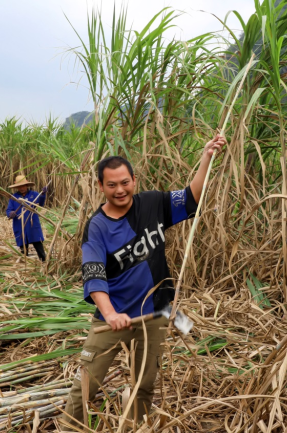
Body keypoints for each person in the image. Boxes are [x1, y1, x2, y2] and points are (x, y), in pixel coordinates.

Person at [61, 135, 226, 428]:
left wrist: (206, 159)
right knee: (84, 387)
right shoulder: (97, 227)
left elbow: (192, 197)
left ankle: (136, 426)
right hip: (112, 318)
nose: (119, 190)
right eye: (111, 184)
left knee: (144, 385)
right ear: (101, 186)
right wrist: (111, 314)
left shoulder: (153, 203)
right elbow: (94, 274)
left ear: (134, 180)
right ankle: (71, 427)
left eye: (125, 182)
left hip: (153, 314)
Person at [5, 175, 47, 261]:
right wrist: (10, 213)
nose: (21, 188)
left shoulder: (34, 194)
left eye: (23, 186)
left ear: (26, 185)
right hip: (20, 225)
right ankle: (25, 266)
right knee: (23, 250)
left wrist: (43, 195)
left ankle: (44, 262)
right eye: (19, 186)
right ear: (17, 187)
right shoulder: (14, 197)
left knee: (38, 245)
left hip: (32, 224)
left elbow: (41, 204)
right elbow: (9, 210)